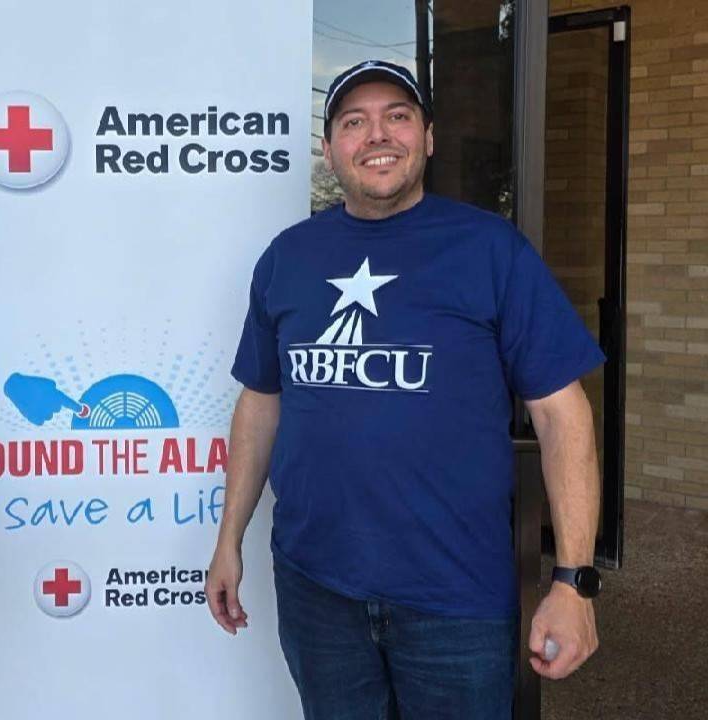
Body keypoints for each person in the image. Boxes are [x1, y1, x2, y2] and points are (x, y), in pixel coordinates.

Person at [205, 60, 604, 719]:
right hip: (316, 587)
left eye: (398, 116)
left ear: (428, 138)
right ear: (330, 147)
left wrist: (573, 581)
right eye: (354, 122)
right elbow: (261, 403)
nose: (377, 134)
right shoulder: (289, 256)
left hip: (455, 597)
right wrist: (228, 540)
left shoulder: (490, 250)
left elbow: (564, 414)